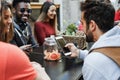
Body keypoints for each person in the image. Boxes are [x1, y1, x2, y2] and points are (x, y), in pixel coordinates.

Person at [65, 1, 120, 80]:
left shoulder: (92, 63)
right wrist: (79, 53)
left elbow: (98, 61)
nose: (81, 28)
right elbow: (107, 57)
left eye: (82, 23)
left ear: (92, 25)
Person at [0, 1, 51, 80]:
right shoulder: (10, 29)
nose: (26, 13)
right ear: (14, 10)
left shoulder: (27, 26)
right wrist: (19, 52)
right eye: (22, 10)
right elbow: (12, 54)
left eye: (29, 11)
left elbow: (34, 45)